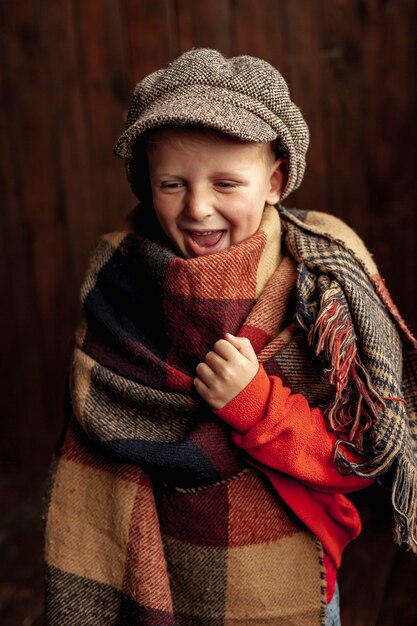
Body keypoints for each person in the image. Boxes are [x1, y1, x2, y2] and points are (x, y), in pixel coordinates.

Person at [43, 48, 417, 626]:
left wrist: (255, 405)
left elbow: (359, 458)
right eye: (172, 183)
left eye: (225, 182)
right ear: (146, 181)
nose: (197, 208)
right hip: (158, 573)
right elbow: (93, 440)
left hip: (284, 575)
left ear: (275, 180)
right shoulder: (118, 284)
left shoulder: (323, 289)